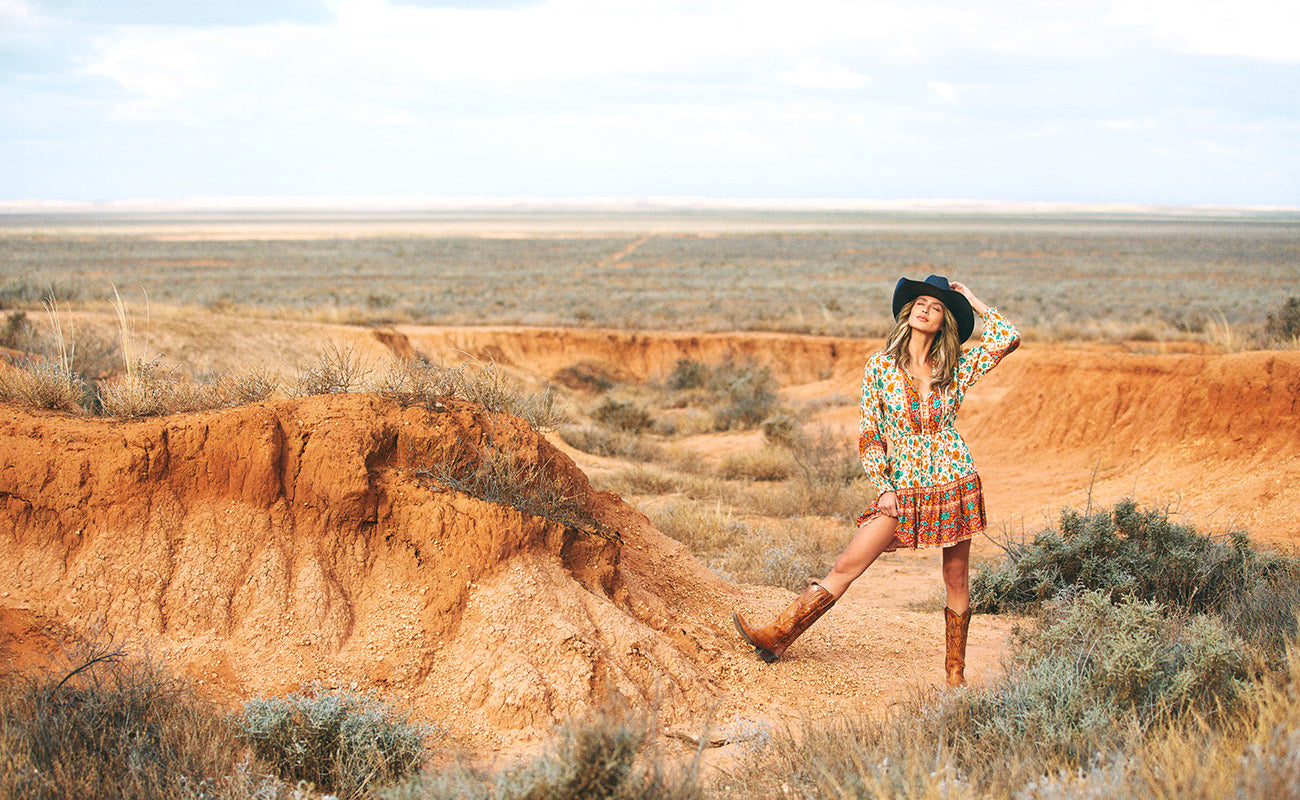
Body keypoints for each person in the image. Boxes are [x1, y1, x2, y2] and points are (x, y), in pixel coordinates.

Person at [733, 275, 1020, 686]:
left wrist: (971, 299)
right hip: (902, 489)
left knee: (956, 578)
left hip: (953, 482)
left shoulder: (954, 367)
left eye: (936, 307)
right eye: (921, 302)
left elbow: (1008, 337)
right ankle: (779, 636)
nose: (925, 309)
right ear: (908, 312)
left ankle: (955, 676)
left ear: (944, 322)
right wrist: (883, 485)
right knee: (848, 563)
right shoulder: (880, 367)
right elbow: (870, 435)